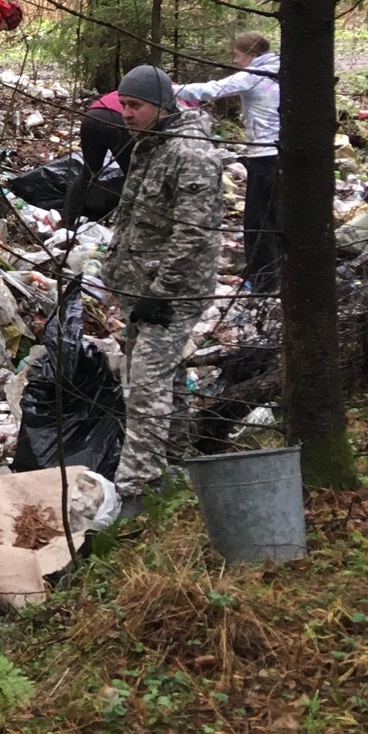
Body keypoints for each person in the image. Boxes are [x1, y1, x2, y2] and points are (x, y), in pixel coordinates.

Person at [101, 66, 223, 515]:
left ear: (162, 105)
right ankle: (178, 461)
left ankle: (136, 491)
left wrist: (162, 291)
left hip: (172, 292)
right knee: (163, 376)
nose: (127, 114)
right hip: (143, 287)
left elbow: (195, 231)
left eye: (135, 106)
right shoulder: (151, 143)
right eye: (124, 105)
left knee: (145, 388)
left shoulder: (190, 152)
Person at [175, 31, 282, 288]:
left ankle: (263, 282)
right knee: (275, 217)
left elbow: (214, 89)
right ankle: (275, 274)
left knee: (257, 222)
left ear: (250, 54)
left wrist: (173, 89)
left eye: (236, 55)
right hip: (283, 151)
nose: (235, 61)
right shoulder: (281, 69)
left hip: (265, 155)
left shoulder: (255, 75)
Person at [61, 89, 134, 226]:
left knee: (88, 172)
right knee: (133, 176)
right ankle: (126, 225)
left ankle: (67, 222)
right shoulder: (176, 95)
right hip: (118, 120)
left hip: (93, 115)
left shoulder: (139, 82)